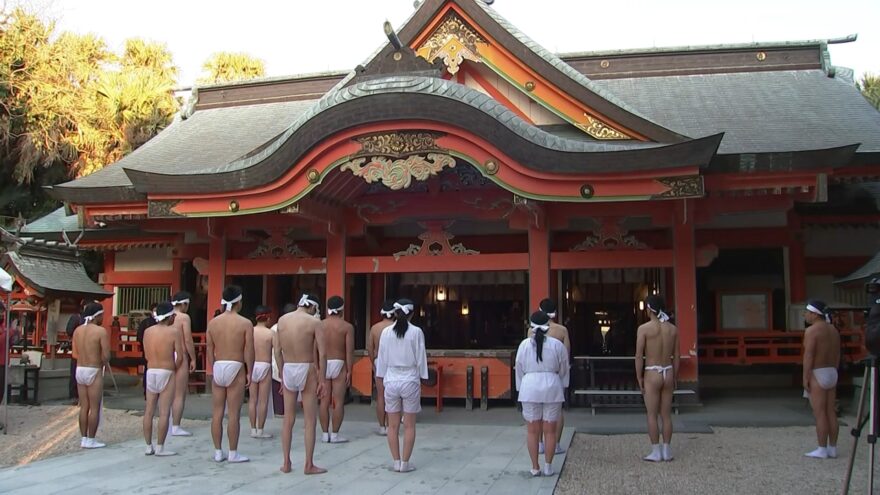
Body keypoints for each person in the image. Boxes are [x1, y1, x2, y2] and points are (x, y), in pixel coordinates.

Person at [274, 292, 327, 475]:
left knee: (288, 420)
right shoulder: (314, 322)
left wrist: (281, 374)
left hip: (288, 367)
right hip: (307, 367)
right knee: (310, 420)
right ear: (312, 307)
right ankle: (308, 464)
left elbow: (277, 351)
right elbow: (323, 353)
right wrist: (322, 379)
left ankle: (286, 462)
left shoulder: (282, 320)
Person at [375, 298, 428, 473]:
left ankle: (396, 461)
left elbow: (381, 358)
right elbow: (421, 357)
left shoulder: (386, 332)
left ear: (395, 313)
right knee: (410, 425)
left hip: (391, 378)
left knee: (392, 425)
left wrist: (381, 377)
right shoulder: (416, 332)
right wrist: (423, 376)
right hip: (410, 378)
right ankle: (405, 463)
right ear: (412, 313)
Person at [515, 311, 569, 476]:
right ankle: (548, 466)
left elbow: (519, 368)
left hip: (529, 387)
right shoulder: (557, 345)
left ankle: (534, 467)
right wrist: (562, 384)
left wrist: (519, 388)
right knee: (550, 430)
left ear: (530, 325)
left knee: (532, 430)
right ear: (548, 324)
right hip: (552, 385)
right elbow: (564, 368)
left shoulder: (524, 345)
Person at [205, 285, 255, 463]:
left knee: (217, 413)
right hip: (236, 365)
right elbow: (249, 349)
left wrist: (214, 367)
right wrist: (250, 370)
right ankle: (233, 453)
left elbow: (209, 348)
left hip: (219, 364)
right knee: (233, 414)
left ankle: (218, 452)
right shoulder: (245, 323)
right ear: (238, 302)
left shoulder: (213, 323)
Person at [635, 294, 679, 462]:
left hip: (652, 371)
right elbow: (677, 355)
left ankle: (656, 451)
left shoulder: (644, 329)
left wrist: (639, 376)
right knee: (666, 415)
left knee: (652, 414)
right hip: (668, 369)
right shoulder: (673, 329)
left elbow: (639, 356)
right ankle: (667, 450)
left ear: (649, 308)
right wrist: (675, 375)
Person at [142, 302, 183, 456]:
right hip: (167, 370)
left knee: (149, 410)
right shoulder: (174, 332)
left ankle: (148, 446)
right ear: (170, 316)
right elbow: (180, 355)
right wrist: (174, 367)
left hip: (151, 369)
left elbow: (146, 355)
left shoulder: (147, 332)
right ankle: (160, 447)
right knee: (164, 412)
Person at [803, 299, 840, 459]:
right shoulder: (833, 330)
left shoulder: (812, 331)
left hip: (818, 371)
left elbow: (809, 355)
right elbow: (838, 354)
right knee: (831, 411)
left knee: (820, 413)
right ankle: (833, 447)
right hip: (832, 370)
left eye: (806, 312)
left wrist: (806, 376)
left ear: (814, 314)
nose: (805, 315)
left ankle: (821, 448)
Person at [533, 298, 571, 455]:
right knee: (557, 410)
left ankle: (541, 443)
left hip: (536, 374)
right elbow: (566, 354)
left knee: (540, 410)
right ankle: (555, 444)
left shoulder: (532, 331)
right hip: (555, 374)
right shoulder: (562, 330)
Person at [71, 302, 110, 449]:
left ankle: (84, 438)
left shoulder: (77, 331)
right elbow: (106, 355)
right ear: (97, 315)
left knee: (84, 406)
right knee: (94, 407)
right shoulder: (100, 331)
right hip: (94, 369)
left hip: (80, 368)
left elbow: (74, 354)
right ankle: (92, 439)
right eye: (102, 315)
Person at [319, 296, 354, 443]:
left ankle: (324, 434)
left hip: (324, 362)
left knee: (324, 401)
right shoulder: (346, 327)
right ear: (342, 308)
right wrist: (349, 369)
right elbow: (349, 351)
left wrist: (316, 366)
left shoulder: (320, 325)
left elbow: (316, 348)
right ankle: (335, 434)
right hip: (339, 362)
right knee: (338, 402)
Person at [169, 292, 196, 437]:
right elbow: (187, 339)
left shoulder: (165, 315)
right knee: (179, 393)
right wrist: (193, 358)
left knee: (167, 392)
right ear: (184, 304)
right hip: (180, 353)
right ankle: (175, 425)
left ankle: (165, 423)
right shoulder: (184, 318)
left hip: (165, 354)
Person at [367, 299, 395, 435]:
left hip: (379, 361)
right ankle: (391, 426)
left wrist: (373, 363)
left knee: (381, 395)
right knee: (394, 396)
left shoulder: (375, 328)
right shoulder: (397, 327)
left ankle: (382, 427)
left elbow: (370, 349)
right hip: (394, 362)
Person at [248, 305, 274, 439]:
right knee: (263, 400)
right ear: (268, 317)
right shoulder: (270, 333)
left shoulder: (250, 331)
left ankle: (253, 429)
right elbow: (278, 351)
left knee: (253, 399)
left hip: (252, 365)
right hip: (265, 364)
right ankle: (260, 429)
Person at [270, 303, 297, 417]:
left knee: (278, 384)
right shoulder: (297, 327)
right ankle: (287, 409)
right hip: (292, 359)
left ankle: (280, 409)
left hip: (278, 359)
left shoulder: (275, 327)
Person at [136, 303, 159, 399]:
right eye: (154, 310)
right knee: (148, 370)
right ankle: (147, 391)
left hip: (159, 349)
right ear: (151, 311)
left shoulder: (162, 322)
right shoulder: (145, 322)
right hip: (148, 350)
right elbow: (139, 336)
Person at [66, 300, 86, 402]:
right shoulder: (76, 318)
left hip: (84, 350)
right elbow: (69, 330)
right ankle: (74, 395)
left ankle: (79, 395)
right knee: (75, 373)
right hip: (78, 348)